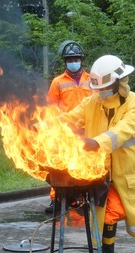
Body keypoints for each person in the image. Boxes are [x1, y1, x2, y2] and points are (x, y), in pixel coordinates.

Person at [59, 54, 135, 253]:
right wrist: (44, 122)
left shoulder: (134, 102)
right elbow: (70, 118)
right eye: (98, 89)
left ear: (117, 83)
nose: (100, 92)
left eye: (103, 88)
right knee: (109, 212)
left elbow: (123, 131)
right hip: (104, 171)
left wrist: (96, 143)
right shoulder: (92, 102)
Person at [44, 40, 92, 213]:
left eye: (76, 59)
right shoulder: (57, 82)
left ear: (81, 59)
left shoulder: (92, 80)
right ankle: (56, 198)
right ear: (65, 62)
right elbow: (51, 107)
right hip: (65, 131)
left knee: (86, 164)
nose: (73, 62)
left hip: (87, 130)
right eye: (70, 60)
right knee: (61, 165)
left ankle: (84, 198)